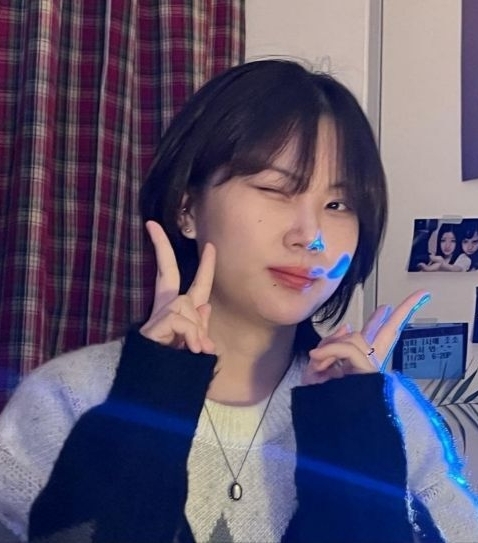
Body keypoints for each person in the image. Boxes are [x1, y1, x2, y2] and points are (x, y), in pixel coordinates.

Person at [0, 59, 477, 543]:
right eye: (276, 189)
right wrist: (151, 401)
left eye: (338, 204)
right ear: (187, 209)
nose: (310, 236)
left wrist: (351, 438)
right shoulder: (67, 398)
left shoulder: (388, 415)